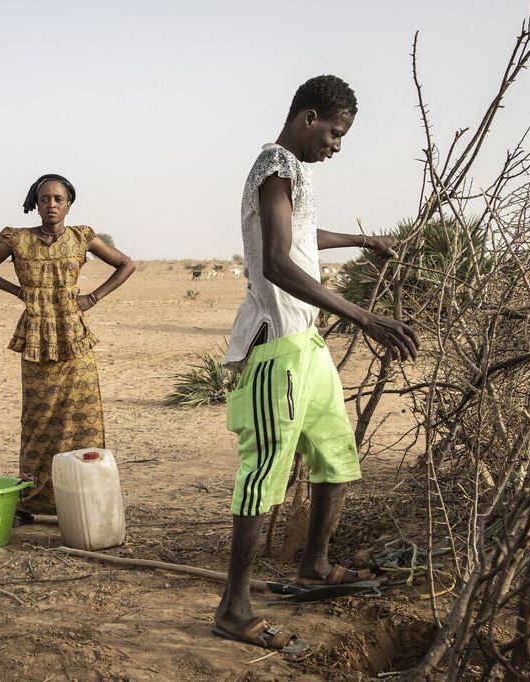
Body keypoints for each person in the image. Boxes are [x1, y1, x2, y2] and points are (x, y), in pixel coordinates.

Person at [212, 75, 419, 653]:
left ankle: (316, 566)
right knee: (264, 472)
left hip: (307, 344)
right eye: (334, 132)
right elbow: (277, 262)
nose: (336, 145)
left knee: (334, 453)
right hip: (274, 346)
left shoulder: (293, 174)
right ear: (308, 118)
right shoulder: (274, 166)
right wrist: (363, 316)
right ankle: (233, 607)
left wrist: (364, 241)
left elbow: (302, 236)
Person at [0, 175, 135, 523]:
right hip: (37, 339)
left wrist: (93, 297)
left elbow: (126, 264)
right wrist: (17, 291)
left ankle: (84, 501)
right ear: (36, 203)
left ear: (69, 204)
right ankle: (31, 501)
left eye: (59, 199)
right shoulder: (17, 239)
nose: (52, 204)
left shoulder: (82, 237)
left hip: (74, 339)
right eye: (44, 198)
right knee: (39, 421)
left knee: (83, 420)